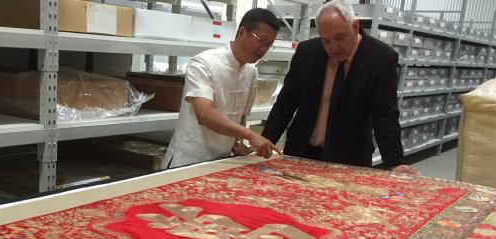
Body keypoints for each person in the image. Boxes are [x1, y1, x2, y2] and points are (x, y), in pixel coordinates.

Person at [263, 0, 417, 174]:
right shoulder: (307, 52)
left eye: (339, 38)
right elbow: (286, 102)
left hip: (350, 158)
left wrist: (394, 162)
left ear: (355, 26)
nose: (333, 48)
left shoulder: (380, 58)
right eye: (326, 41)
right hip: (301, 152)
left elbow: (385, 115)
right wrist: (264, 141)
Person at [161, 8, 282, 169]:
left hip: (223, 159)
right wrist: (250, 135)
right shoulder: (203, 63)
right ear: (242, 32)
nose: (264, 49)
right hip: (189, 159)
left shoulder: (251, 72)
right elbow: (204, 114)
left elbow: (241, 116)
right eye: (261, 40)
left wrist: (239, 143)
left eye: (269, 45)